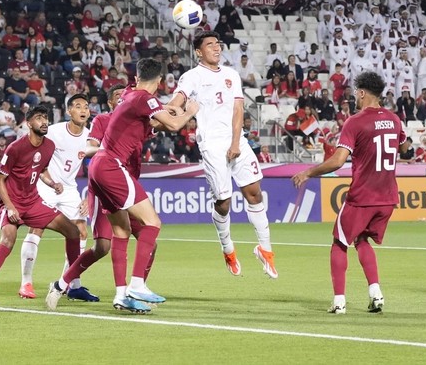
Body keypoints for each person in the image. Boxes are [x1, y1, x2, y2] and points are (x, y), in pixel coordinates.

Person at [45, 59, 199, 313]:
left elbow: (158, 119)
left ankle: (75, 287)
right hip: (113, 168)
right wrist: (191, 110)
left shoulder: (130, 96)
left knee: (121, 232)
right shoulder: (141, 100)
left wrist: (176, 105)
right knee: (153, 223)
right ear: (159, 81)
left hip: (102, 168)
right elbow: (172, 124)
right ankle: (136, 285)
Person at [292, 71, 408, 314]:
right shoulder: (395, 120)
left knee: (339, 241)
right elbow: (403, 145)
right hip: (387, 197)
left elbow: (337, 161)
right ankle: (376, 294)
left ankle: (339, 302)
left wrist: (308, 173)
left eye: (356, 92)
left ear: (363, 93)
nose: (355, 95)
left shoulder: (355, 121)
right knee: (361, 240)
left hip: (362, 195)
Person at [168, 31, 277, 279]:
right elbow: (179, 98)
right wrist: (174, 106)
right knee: (224, 202)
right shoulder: (192, 76)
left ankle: (266, 250)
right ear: (198, 51)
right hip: (212, 144)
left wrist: (237, 142)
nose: (216, 48)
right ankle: (228, 249)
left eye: (217, 44)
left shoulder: (231, 74)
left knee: (254, 192)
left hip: (236, 140)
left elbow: (238, 109)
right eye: (209, 45)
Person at [0, 105, 82, 306]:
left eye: (46, 118)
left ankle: (70, 284)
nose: (44, 122)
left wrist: (52, 183)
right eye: (39, 118)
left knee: (73, 231)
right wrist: (10, 207)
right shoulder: (15, 147)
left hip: (33, 202)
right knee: (8, 240)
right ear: (29, 123)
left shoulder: (49, 146)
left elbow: (41, 170)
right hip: (12, 202)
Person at [18, 94, 98, 302]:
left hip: (69, 189)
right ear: (69, 111)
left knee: (81, 232)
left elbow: (98, 168)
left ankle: (70, 283)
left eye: (86, 106)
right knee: (37, 228)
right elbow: (31, 148)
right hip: (46, 186)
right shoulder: (54, 132)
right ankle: (26, 282)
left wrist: (89, 195)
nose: (83, 110)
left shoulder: (90, 137)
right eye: (78, 106)